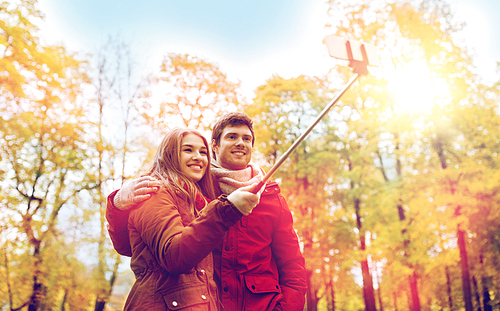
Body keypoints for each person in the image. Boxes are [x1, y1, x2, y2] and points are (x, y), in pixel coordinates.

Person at [106, 112, 307, 310]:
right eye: (232, 137)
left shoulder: (272, 198)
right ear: (215, 146)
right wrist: (118, 203)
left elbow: (293, 265)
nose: (240, 143)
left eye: (247, 139)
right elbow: (135, 247)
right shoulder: (192, 189)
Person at [111, 127, 260, 310]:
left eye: (203, 152)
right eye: (188, 150)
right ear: (170, 155)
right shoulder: (155, 192)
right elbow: (174, 256)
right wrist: (225, 210)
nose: (198, 157)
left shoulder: (198, 202)